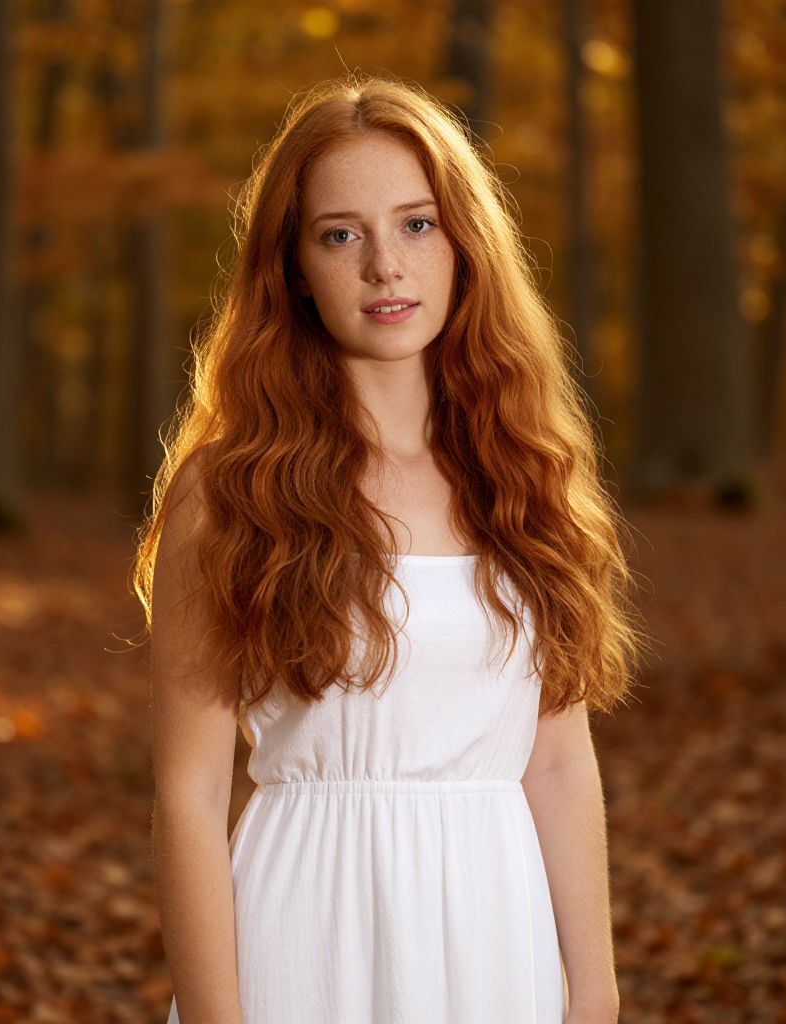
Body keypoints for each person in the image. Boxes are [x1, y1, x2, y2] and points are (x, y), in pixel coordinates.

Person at [132, 72, 649, 1024]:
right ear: (293, 267)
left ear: (463, 248)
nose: (385, 266)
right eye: (341, 234)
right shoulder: (231, 493)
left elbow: (560, 763)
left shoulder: (524, 476)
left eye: (416, 225)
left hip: (498, 939)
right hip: (300, 940)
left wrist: (597, 994)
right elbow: (193, 790)